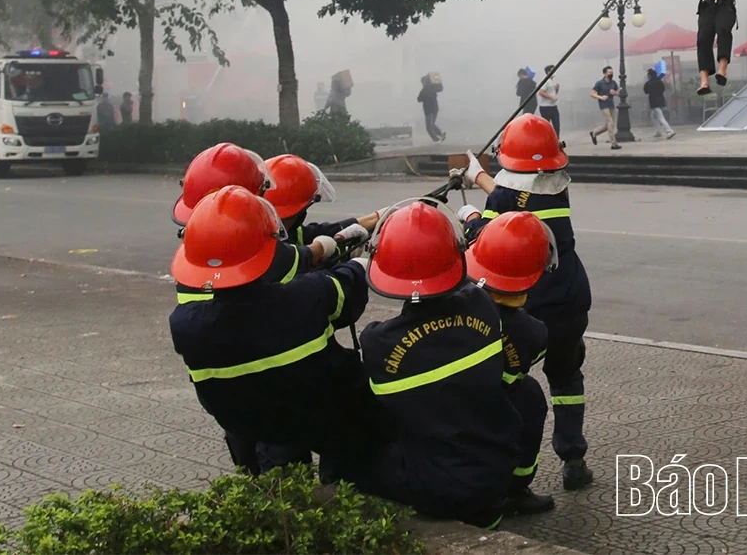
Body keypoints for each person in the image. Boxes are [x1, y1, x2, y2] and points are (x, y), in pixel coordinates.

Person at [169, 186, 378, 473]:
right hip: (324, 417)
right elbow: (346, 289)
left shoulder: (183, 325)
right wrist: (357, 262)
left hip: (249, 425)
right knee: (355, 444)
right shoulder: (307, 296)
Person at [343, 200, 522, 528]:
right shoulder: (482, 306)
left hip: (436, 486)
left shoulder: (379, 343)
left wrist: (349, 266)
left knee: (344, 456)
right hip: (496, 470)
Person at [460, 115, 594, 492]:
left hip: (525, 304)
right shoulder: (557, 188)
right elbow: (519, 195)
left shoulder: (501, 199)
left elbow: (486, 238)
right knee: (566, 375)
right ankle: (573, 459)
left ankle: (511, 474)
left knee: (513, 384)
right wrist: (480, 178)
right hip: (569, 300)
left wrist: (470, 214)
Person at [460, 210, 557, 515]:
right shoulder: (533, 334)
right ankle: (516, 489)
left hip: (445, 407)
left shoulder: (454, 298)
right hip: (495, 408)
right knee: (530, 397)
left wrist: (472, 218)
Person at [589, 66, 621, 149]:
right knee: (610, 123)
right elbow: (592, 94)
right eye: (609, 72)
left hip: (611, 104)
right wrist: (600, 97)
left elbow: (618, 92)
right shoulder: (599, 83)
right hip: (604, 105)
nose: (611, 74)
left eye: (612, 72)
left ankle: (594, 132)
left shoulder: (613, 83)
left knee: (609, 125)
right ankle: (614, 144)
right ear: (605, 74)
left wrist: (615, 93)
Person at [643, 66, 675, 139]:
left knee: (660, 117)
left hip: (654, 102)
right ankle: (659, 131)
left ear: (649, 76)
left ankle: (669, 131)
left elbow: (646, 91)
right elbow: (663, 89)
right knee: (653, 116)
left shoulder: (648, 83)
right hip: (661, 100)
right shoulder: (660, 81)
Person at [417, 75, 445, 143]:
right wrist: (439, 82)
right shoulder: (433, 88)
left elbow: (419, 99)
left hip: (429, 111)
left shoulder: (424, 90)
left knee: (429, 128)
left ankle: (436, 140)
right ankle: (441, 133)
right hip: (435, 109)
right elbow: (440, 88)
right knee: (432, 125)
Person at [538, 66, 561, 137]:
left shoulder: (552, 81)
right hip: (545, 107)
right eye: (553, 70)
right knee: (546, 126)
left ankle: (556, 139)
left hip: (553, 106)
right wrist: (551, 97)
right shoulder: (546, 81)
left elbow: (553, 93)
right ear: (548, 72)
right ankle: (546, 139)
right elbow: (541, 92)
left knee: (556, 125)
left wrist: (557, 89)